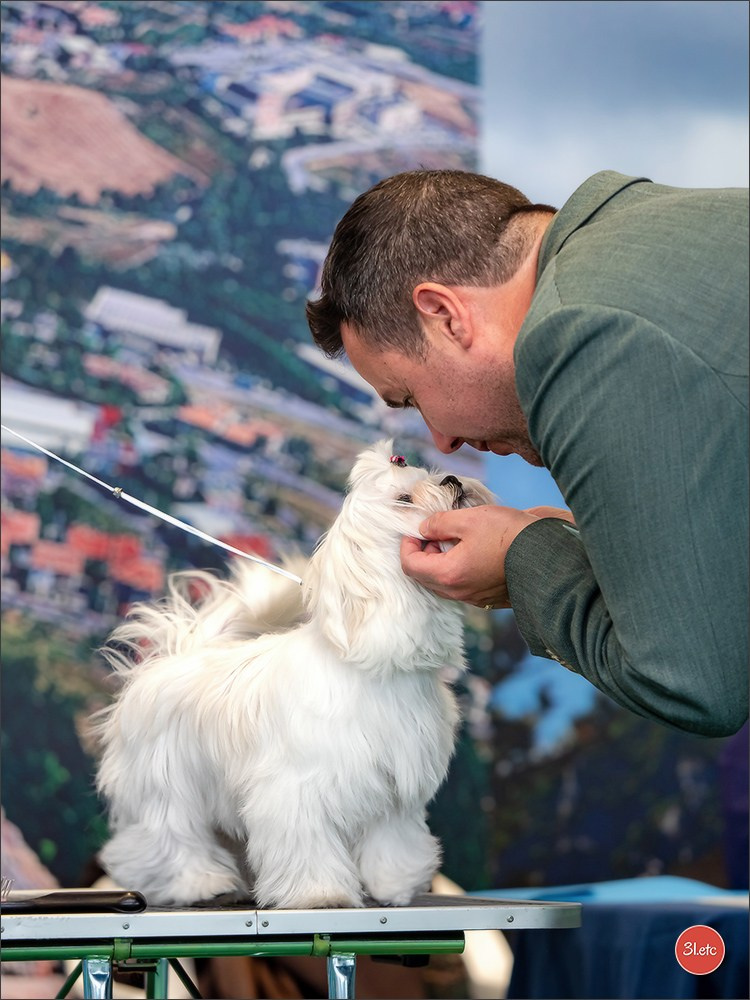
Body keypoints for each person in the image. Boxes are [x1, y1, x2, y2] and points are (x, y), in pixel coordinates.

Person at [306, 169, 748, 739]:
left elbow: (693, 684)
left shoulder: (579, 339)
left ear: (444, 315)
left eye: (411, 396)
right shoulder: (637, 236)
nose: (442, 440)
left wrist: (522, 559)